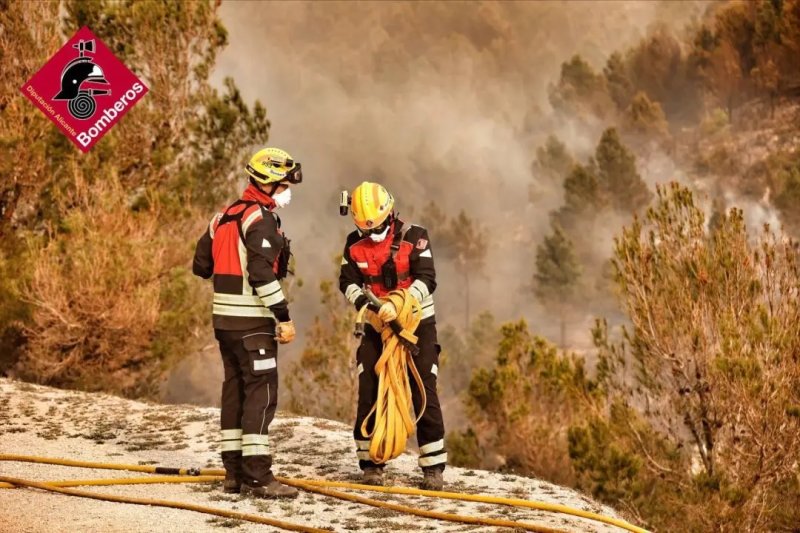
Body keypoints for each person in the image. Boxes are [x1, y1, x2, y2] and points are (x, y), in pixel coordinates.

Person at [193, 147, 302, 499]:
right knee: (261, 393)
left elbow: (201, 266)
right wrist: (283, 315)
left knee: (235, 391)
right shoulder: (260, 219)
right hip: (252, 323)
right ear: (269, 184)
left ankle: (233, 473)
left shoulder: (222, 216)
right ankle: (258, 476)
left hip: (223, 322)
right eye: (284, 183)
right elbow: (260, 274)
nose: (288, 190)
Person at [338, 181, 446, 490]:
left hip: (417, 327)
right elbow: (347, 282)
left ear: (390, 215)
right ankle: (371, 463)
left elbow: (428, 279)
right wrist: (367, 306)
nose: (370, 235)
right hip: (376, 327)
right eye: (364, 229)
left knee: (423, 385)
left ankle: (433, 467)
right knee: (369, 384)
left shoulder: (415, 237)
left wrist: (401, 303)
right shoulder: (353, 244)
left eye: (376, 228)